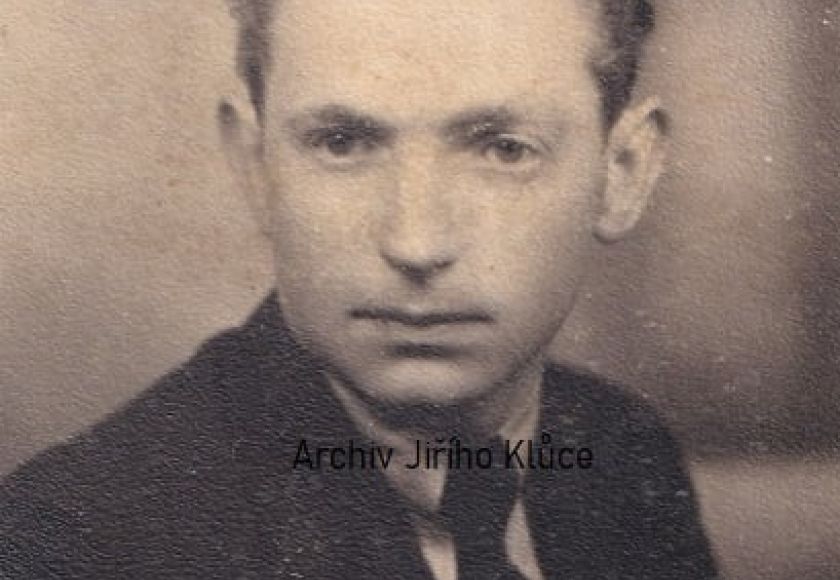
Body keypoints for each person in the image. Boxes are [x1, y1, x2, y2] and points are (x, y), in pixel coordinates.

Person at [1, 1, 718, 578]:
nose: (416, 243)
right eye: (342, 143)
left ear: (623, 173)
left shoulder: (621, 450)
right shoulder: (73, 538)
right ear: (255, 164)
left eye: (504, 149)